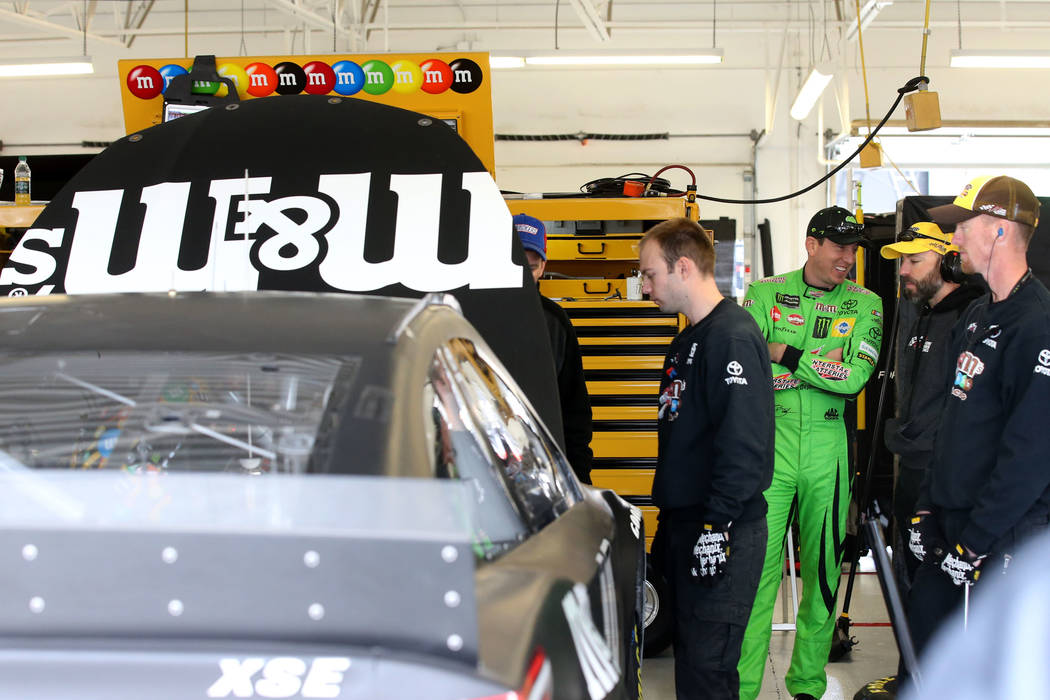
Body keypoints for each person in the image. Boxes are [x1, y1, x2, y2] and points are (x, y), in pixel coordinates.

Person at [900, 175, 1050, 688]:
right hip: (951, 524)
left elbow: (1030, 453)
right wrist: (924, 507)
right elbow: (951, 422)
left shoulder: (1037, 325)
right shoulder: (978, 314)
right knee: (926, 654)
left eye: (963, 226)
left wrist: (976, 543)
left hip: (1002, 535)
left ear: (1001, 231)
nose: (955, 238)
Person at [737, 206, 883, 700]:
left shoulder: (867, 304)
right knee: (756, 575)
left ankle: (806, 684)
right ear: (812, 244)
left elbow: (855, 380)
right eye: (839, 246)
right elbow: (749, 371)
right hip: (770, 449)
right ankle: (741, 687)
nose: (848, 257)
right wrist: (822, 366)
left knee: (822, 572)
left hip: (829, 451)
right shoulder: (764, 293)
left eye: (854, 248)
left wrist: (786, 354)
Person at [640, 217, 774, 700]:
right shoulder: (686, 341)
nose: (644, 285)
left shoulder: (731, 337)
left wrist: (716, 529)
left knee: (709, 670)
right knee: (691, 665)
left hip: (723, 530)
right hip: (684, 525)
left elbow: (743, 444)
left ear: (682, 267)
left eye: (650, 274)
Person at [852, 222, 984, 700]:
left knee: (935, 589)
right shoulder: (920, 315)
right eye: (900, 262)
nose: (902, 272)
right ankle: (915, 676)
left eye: (914, 261)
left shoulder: (970, 315)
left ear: (947, 261)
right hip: (910, 469)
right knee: (907, 579)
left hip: (942, 478)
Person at [513, 213, 593, 484]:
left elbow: (576, 411)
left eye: (532, 266)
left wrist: (580, 480)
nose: (525, 274)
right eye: (517, 263)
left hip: (547, 471)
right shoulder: (478, 315)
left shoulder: (555, 322)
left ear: (544, 266)